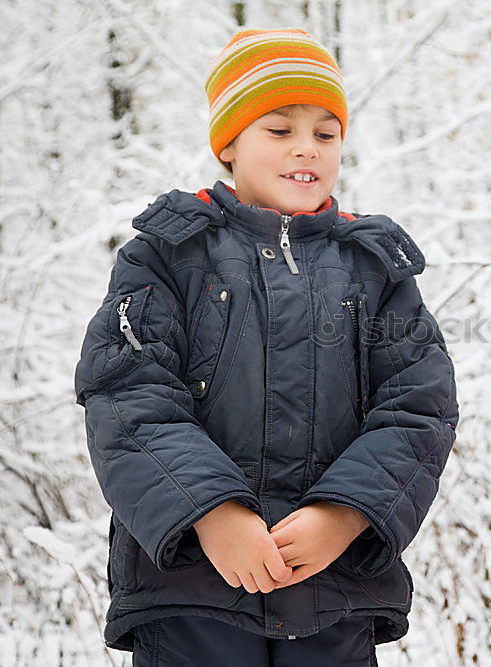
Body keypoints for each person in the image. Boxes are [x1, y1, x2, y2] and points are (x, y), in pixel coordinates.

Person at [75, 29, 458, 666]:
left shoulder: (374, 269)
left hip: (333, 596)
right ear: (228, 142)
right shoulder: (167, 256)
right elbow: (127, 393)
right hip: (193, 590)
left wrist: (344, 515)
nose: (306, 149)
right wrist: (213, 513)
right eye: (279, 130)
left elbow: (420, 407)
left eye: (325, 133)